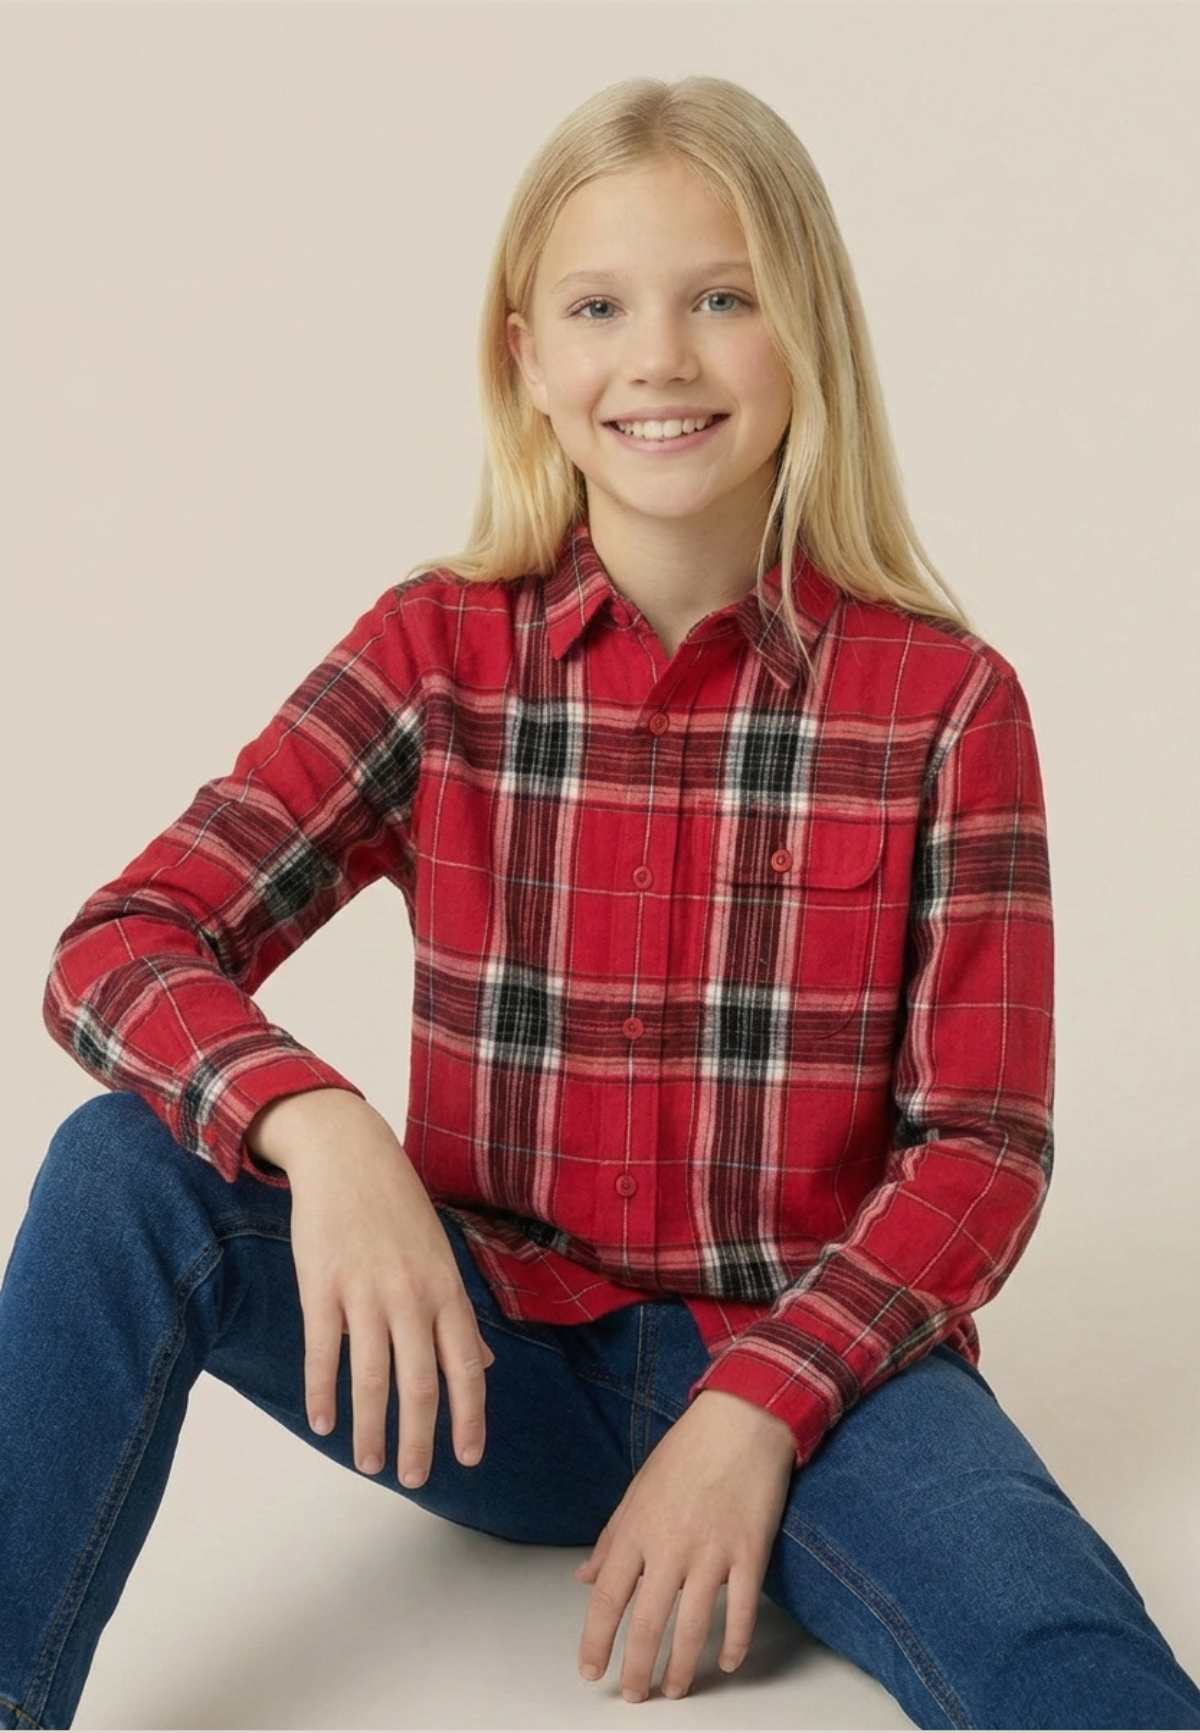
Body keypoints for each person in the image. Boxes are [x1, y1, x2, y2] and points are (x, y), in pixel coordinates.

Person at [2, 73, 1198, 1733]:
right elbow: (115, 944)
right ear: (529, 359)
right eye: (599, 306)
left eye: (724, 297)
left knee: (1068, 1648)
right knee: (122, 1171)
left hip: (822, 1376)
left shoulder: (943, 702)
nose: (661, 357)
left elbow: (984, 1148)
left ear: (808, 337)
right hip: (487, 1364)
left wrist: (759, 1407)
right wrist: (319, 1128)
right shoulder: (435, 653)